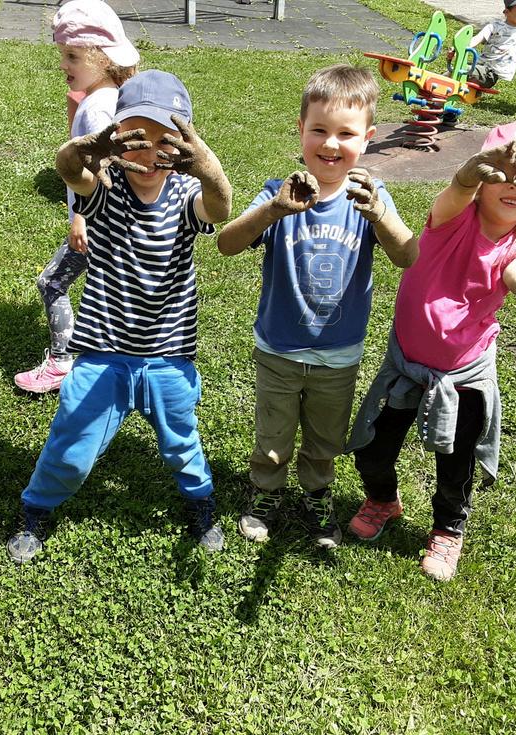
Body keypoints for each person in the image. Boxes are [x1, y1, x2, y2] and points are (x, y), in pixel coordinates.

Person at [6, 70, 233, 564]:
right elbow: (69, 169)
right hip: (103, 352)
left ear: (185, 146)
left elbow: (219, 208)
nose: (148, 154)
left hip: (168, 354)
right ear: (115, 136)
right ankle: (36, 507)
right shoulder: (104, 188)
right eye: (135, 138)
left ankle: (201, 502)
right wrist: (83, 148)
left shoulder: (185, 196)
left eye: (165, 141)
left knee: (182, 444)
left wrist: (208, 168)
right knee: (72, 445)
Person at [345, 119, 516, 582]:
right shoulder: (451, 219)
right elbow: (456, 191)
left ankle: (448, 529)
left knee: (455, 465)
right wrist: (470, 172)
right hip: (406, 366)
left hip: (463, 375)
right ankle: (383, 500)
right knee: (373, 450)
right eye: (505, 173)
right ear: (484, 178)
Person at [216, 64, 419, 549]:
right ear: (301, 130)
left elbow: (407, 255)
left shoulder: (370, 197)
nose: (331, 144)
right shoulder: (279, 192)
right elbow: (226, 243)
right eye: (319, 130)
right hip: (279, 349)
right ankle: (266, 491)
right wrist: (274, 209)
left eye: (346, 134)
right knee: (273, 435)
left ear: (368, 138)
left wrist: (379, 214)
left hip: (338, 353)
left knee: (326, 438)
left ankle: (316, 494)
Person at [14, 0, 140, 394]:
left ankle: (62, 362)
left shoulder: (95, 109)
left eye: (72, 56)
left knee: (51, 283)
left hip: (98, 225)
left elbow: (103, 171)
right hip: (119, 223)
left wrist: (81, 218)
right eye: (62, 55)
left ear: (103, 59)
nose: (63, 65)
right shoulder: (115, 96)